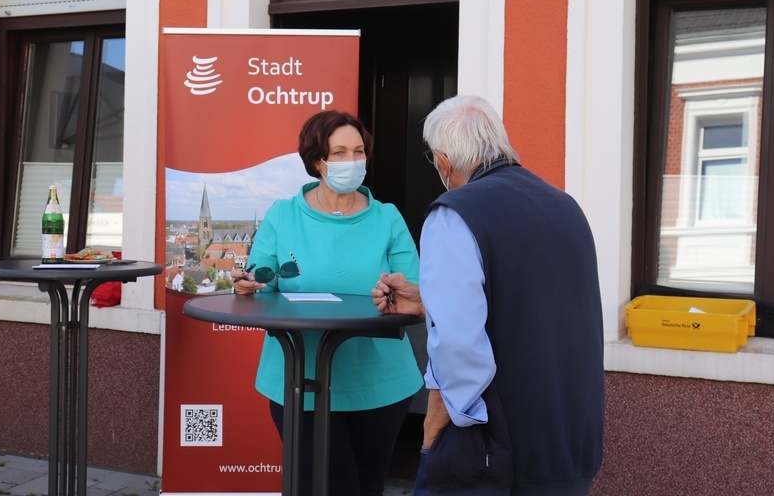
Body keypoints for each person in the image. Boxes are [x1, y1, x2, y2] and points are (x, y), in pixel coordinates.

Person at [372, 95, 605, 495]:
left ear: (442, 161)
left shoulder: (454, 213)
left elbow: (459, 347)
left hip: (497, 454)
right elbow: (535, 302)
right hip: (571, 443)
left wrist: (434, 433)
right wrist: (431, 300)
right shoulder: (565, 206)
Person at [231, 109, 424, 495]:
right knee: (324, 486)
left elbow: (414, 290)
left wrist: (401, 291)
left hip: (380, 383)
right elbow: (258, 276)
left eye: (358, 151)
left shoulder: (387, 218)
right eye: (339, 152)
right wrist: (249, 284)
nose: (351, 162)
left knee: (366, 488)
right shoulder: (283, 214)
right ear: (317, 160)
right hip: (302, 380)